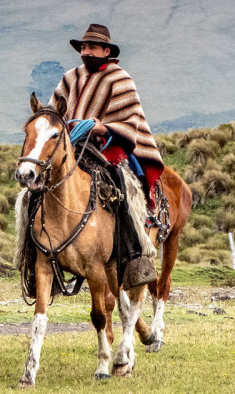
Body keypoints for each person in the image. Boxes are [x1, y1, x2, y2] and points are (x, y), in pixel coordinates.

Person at [51, 23, 160, 289]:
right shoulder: (70, 78)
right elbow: (54, 114)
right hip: (70, 146)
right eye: (83, 47)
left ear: (106, 51)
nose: (86, 52)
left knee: (124, 187)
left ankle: (134, 255)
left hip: (106, 145)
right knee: (38, 185)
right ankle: (38, 255)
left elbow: (130, 120)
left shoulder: (120, 79)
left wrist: (103, 127)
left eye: (91, 47)